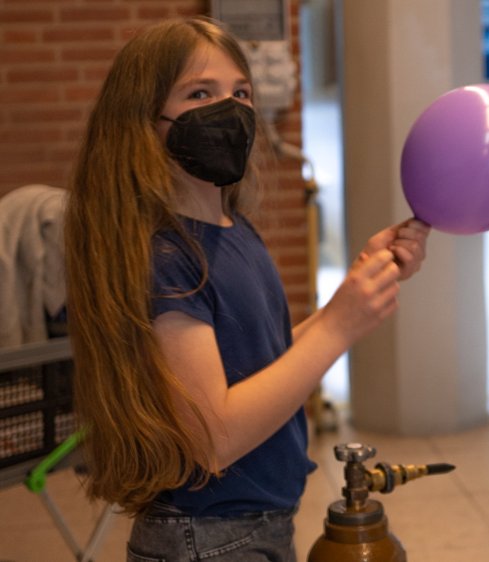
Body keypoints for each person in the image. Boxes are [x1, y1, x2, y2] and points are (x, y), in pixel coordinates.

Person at [63, 17, 430, 561]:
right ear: (144, 120)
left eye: (240, 92)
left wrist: (356, 289)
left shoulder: (232, 229)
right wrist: (338, 324)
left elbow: (259, 363)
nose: (229, 109)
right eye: (199, 93)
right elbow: (215, 438)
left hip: (252, 524)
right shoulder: (165, 257)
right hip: (206, 537)